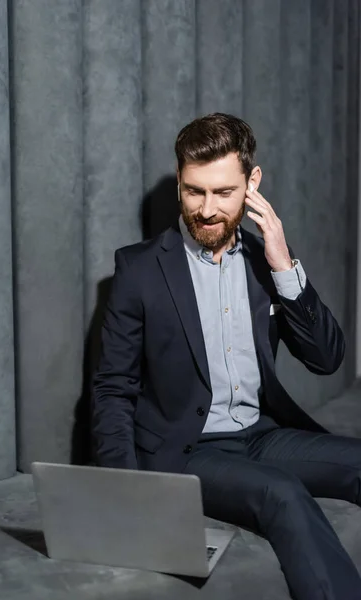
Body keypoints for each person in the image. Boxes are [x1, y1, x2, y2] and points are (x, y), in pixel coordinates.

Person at [91, 113, 361, 600]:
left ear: (252, 183)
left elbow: (326, 358)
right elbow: (112, 388)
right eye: (195, 191)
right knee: (283, 494)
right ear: (179, 182)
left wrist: (283, 265)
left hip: (261, 435)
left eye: (224, 192)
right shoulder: (138, 268)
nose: (207, 209)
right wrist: (126, 493)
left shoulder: (267, 261)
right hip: (189, 449)